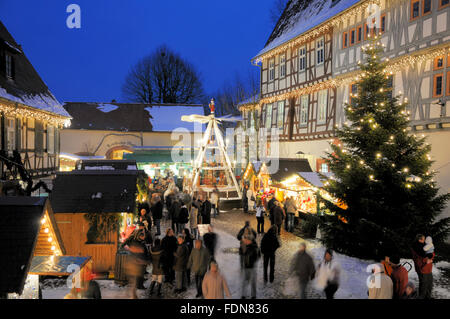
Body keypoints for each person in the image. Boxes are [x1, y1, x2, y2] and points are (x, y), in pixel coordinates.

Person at [121, 229, 150, 298]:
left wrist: (146, 260)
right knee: (133, 281)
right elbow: (123, 246)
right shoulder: (133, 241)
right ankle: (133, 295)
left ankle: (133, 294)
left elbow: (144, 253)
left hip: (137, 265)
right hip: (133, 265)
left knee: (134, 281)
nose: (144, 237)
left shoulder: (141, 243)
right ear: (139, 236)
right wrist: (130, 249)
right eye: (142, 236)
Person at [411, 234, 435, 299]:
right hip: (423, 269)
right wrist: (426, 260)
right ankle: (421, 297)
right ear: (419, 240)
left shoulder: (425, 246)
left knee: (429, 284)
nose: (425, 241)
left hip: (428, 269)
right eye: (423, 239)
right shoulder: (416, 248)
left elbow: (432, 254)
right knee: (423, 285)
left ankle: (428, 297)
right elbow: (418, 260)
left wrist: (431, 257)